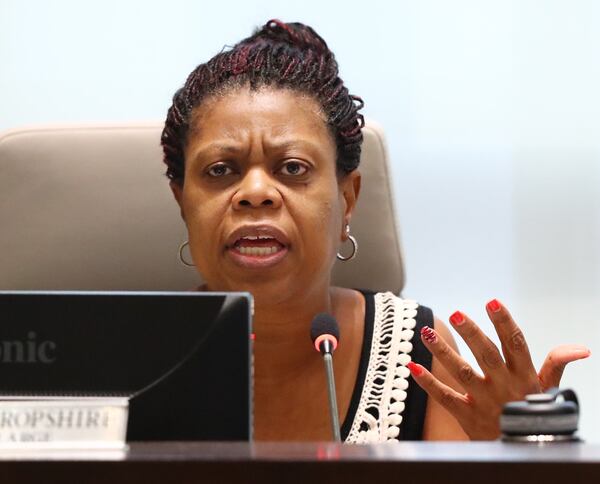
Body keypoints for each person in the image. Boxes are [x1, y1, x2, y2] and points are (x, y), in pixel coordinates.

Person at [160, 19, 590, 442]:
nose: (255, 193)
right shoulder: (121, 350)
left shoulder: (415, 356)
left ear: (348, 198)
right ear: (182, 201)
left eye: (292, 168)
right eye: (220, 170)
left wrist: (512, 456)